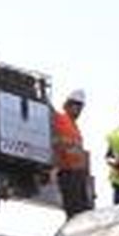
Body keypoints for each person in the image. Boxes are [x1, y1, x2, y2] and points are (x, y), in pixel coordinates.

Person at [51, 89, 92, 217]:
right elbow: (56, 142)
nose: (78, 110)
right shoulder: (59, 119)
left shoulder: (75, 127)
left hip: (78, 174)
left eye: (80, 107)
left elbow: (78, 150)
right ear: (67, 105)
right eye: (75, 105)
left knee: (83, 210)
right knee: (74, 210)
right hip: (67, 172)